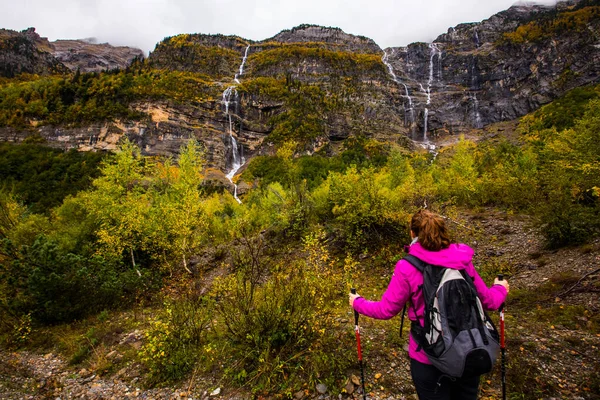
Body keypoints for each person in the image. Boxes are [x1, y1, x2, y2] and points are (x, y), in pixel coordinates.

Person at [348, 209, 509, 400]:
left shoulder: (407, 266)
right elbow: (490, 302)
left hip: (428, 357)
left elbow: (386, 310)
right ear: (443, 232)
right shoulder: (462, 261)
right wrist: (501, 288)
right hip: (468, 353)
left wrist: (357, 302)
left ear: (412, 234)